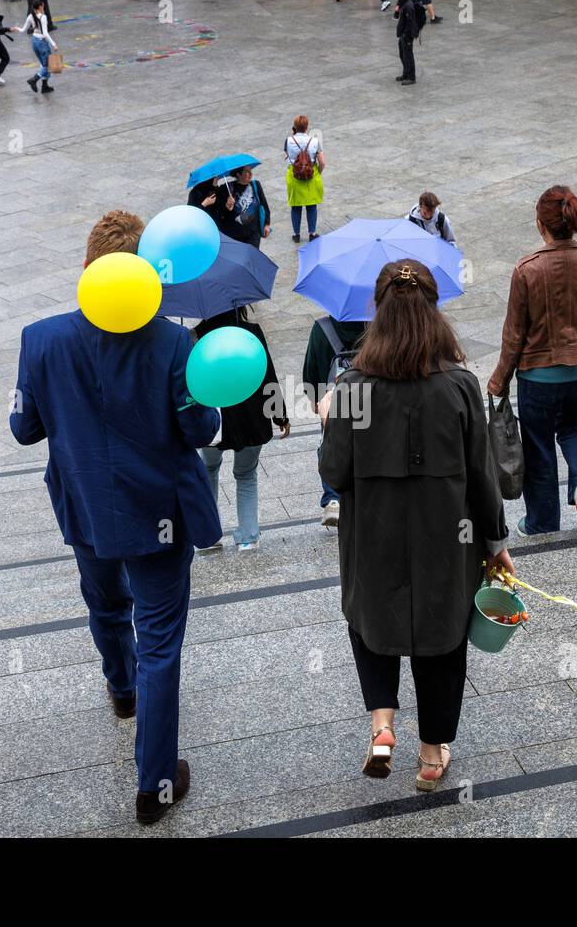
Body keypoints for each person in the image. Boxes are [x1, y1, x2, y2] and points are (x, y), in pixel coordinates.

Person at [9, 208, 221, 825]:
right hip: (159, 518)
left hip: (85, 509)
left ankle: (120, 689)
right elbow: (199, 427)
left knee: (103, 604)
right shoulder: (175, 342)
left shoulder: (40, 339)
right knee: (161, 644)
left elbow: (24, 428)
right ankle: (155, 779)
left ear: (85, 269)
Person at [319, 259, 512, 792]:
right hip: (446, 539)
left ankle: (382, 729)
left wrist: (331, 417)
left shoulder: (353, 387)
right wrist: (495, 542)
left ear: (376, 311)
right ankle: (431, 756)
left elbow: (334, 474)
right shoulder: (459, 385)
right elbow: (482, 474)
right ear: (434, 313)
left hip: (371, 539)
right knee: (443, 637)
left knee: (370, 623)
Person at [488, 185, 577, 535]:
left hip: (540, 377)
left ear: (541, 225)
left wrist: (499, 381)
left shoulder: (527, 269)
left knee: (538, 445)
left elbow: (514, 335)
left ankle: (542, 522)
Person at [193, 307, 289, 551]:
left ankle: (209, 534)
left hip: (212, 421)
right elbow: (269, 376)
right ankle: (248, 537)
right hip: (251, 420)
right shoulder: (251, 333)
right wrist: (280, 416)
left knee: (208, 470)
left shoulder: (195, 338)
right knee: (246, 475)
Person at [302, 314, 366, 527]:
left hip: (333, 398)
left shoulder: (323, 328)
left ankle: (333, 499)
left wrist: (315, 397)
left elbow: (312, 367)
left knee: (331, 442)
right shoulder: (381, 322)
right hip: (374, 395)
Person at [191, 167, 271, 247]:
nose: (250, 174)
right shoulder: (227, 188)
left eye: (250, 171)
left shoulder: (255, 185)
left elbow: (263, 204)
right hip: (234, 234)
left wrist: (266, 224)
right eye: (246, 172)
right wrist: (227, 207)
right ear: (238, 174)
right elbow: (219, 212)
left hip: (253, 233)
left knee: (254, 256)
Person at [284, 116, 326, 243]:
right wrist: (317, 172)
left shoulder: (288, 140)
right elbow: (322, 162)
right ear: (307, 127)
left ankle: (296, 234)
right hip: (310, 176)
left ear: (295, 127)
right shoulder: (314, 141)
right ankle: (312, 233)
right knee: (311, 205)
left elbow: (287, 156)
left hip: (294, 176)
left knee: (295, 206)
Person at [23, 0, 57, 93]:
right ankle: (34, 79)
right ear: (41, 6)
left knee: (44, 64)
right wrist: (54, 44)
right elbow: (45, 34)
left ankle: (44, 86)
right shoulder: (43, 17)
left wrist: (12, 29)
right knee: (48, 64)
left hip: (34, 41)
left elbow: (23, 29)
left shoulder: (30, 16)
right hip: (42, 43)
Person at [395, 0, 426, 85]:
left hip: (407, 34)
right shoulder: (402, 2)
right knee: (402, 53)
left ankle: (411, 77)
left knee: (408, 55)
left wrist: (405, 35)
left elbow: (410, 22)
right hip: (403, 33)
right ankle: (405, 73)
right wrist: (396, 11)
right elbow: (397, 17)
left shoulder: (408, 5)